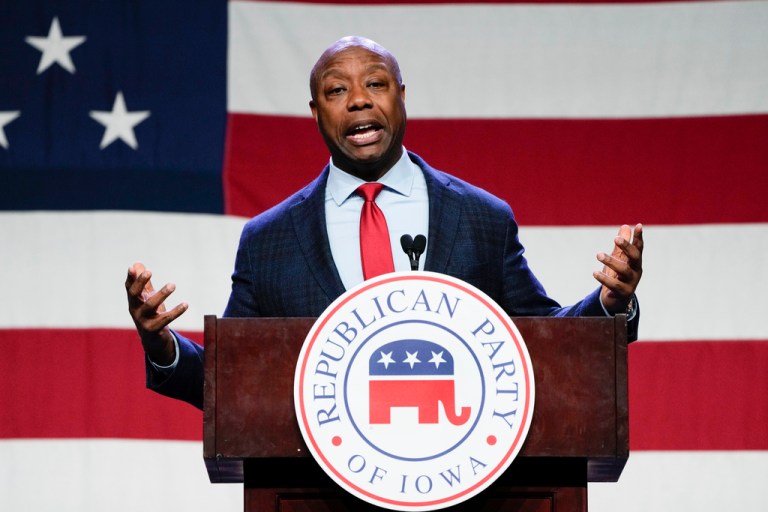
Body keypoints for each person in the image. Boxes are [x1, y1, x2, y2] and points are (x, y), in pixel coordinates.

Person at [126, 36, 643, 410]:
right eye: (336, 91)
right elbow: (233, 375)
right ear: (315, 111)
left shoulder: (480, 217)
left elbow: (542, 341)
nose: (357, 100)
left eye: (375, 83)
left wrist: (610, 304)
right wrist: (162, 345)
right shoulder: (269, 239)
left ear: (400, 95)